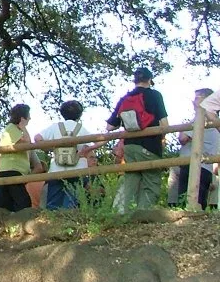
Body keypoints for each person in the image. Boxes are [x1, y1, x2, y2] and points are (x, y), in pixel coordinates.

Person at [107, 67, 168, 210]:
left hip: (129, 146)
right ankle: (144, 215)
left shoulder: (125, 98)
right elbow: (164, 124)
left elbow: (110, 126)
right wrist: (162, 137)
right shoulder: (155, 95)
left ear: (134, 80)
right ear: (150, 80)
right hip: (150, 145)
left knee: (130, 178)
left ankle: (119, 212)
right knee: (151, 181)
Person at [35, 100, 92, 210]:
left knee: (53, 204)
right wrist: (87, 150)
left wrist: (51, 148)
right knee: (72, 203)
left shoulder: (55, 127)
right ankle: (69, 225)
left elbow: (37, 138)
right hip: (77, 169)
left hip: (56, 169)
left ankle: (51, 225)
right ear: (80, 114)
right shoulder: (82, 129)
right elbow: (97, 141)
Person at [172, 87, 220, 210]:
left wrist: (182, 128)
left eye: (196, 98)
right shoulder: (214, 121)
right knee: (200, 200)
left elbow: (183, 138)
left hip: (193, 165)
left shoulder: (200, 118)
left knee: (186, 201)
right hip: (206, 167)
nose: (193, 102)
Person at [0, 104, 33, 212]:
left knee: (5, 202)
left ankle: (2, 224)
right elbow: (27, 144)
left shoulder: (12, 130)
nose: (30, 118)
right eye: (28, 115)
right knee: (24, 202)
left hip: (10, 170)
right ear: (22, 118)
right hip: (12, 170)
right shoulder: (12, 128)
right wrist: (23, 127)